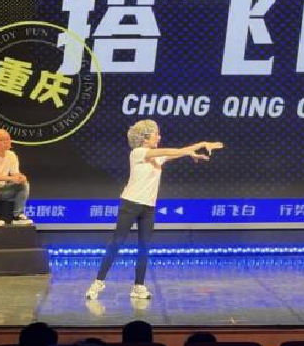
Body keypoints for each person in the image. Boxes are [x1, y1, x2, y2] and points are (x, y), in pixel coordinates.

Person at [85, 120, 223, 300]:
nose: (159, 137)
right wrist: (193, 149)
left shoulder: (157, 157)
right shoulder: (138, 153)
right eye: (156, 134)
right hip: (130, 204)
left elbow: (177, 152)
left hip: (148, 207)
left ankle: (138, 286)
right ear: (145, 138)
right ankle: (98, 282)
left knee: (144, 247)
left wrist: (197, 148)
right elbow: (172, 151)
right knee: (117, 242)